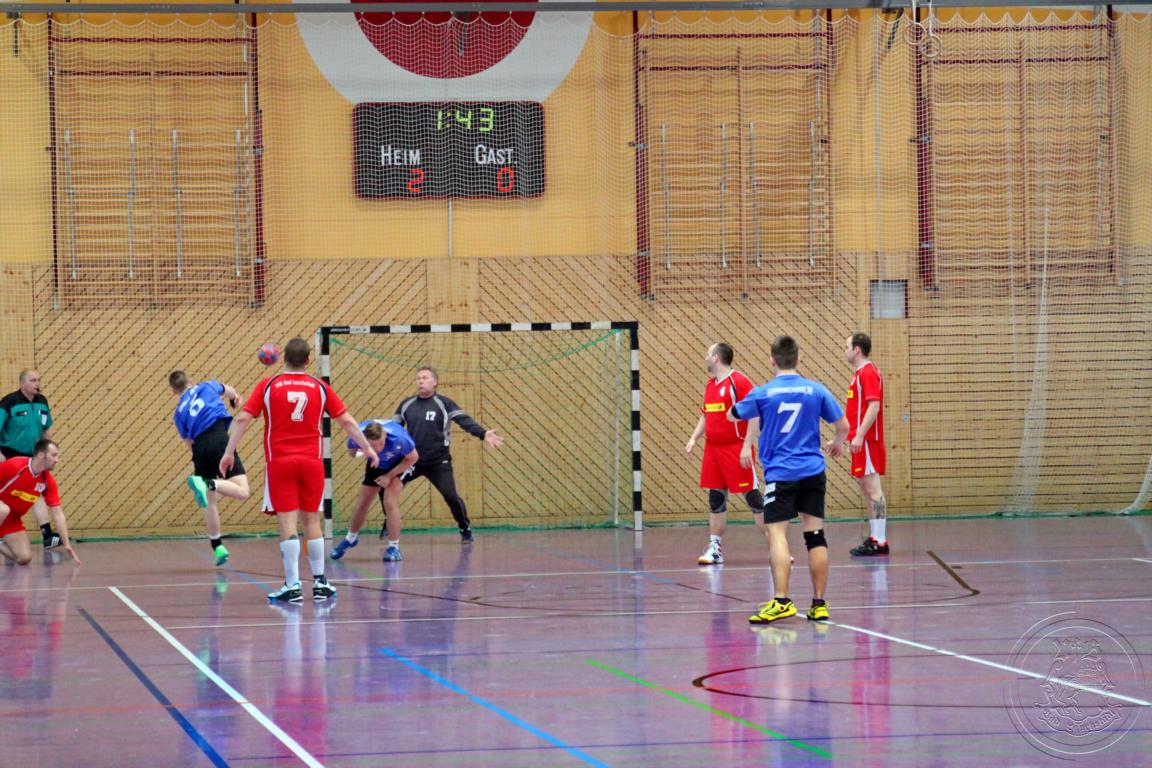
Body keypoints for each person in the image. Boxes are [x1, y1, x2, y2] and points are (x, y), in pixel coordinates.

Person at [220, 337, 378, 603]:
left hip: (281, 462)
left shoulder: (268, 385)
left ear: (283, 358)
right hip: (312, 462)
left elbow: (244, 418)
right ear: (308, 360)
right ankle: (320, 582)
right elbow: (347, 421)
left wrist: (228, 453)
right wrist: (368, 448)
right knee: (312, 521)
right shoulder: (320, 387)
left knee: (288, 522)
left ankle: (292, 585)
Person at [729, 335, 848, 624]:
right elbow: (843, 425)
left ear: (772, 360)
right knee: (815, 534)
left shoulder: (763, 393)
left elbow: (733, 415)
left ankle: (782, 601)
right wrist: (837, 443)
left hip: (781, 473)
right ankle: (819, 604)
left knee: (777, 533)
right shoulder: (816, 390)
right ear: (799, 358)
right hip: (812, 471)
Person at [392, 366, 504, 542]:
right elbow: (393, 430)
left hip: (438, 462)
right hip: (411, 460)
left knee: (451, 496)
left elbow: (464, 421)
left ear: (435, 382)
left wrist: (483, 434)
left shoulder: (444, 403)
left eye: (425, 378)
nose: (420, 381)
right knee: (387, 487)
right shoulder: (406, 404)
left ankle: (464, 527)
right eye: (418, 378)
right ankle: (389, 524)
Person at [684, 342, 764, 565]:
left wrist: (747, 445)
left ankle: (778, 546)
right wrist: (694, 438)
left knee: (753, 498)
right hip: (713, 450)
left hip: (735, 448)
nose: (705, 358)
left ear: (716, 358)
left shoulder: (738, 381)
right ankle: (715, 548)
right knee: (716, 498)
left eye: (708, 354)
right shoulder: (711, 385)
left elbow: (755, 413)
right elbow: (706, 415)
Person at [170, 371, 252, 566]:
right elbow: (230, 391)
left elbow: (189, 444)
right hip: (218, 438)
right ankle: (209, 483)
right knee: (242, 491)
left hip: (199, 448)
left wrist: (201, 455)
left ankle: (218, 546)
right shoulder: (207, 386)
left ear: (174, 391)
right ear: (190, 381)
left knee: (210, 502)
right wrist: (235, 398)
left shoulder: (178, 414)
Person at [330, 420, 418, 562]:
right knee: (362, 503)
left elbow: (414, 458)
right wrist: (363, 451)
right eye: (372, 445)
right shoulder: (355, 437)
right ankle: (350, 538)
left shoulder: (399, 439)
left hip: (400, 463)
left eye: (380, 444)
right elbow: (352, 454)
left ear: (385, 436)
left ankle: (393, 547)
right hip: (376, 463)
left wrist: (389, 476)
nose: (377, 448)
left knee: (389, 501)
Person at [0, 371, 61, 549]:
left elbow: (46, 429)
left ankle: (47, 535)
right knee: (7, 494)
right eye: (33, 380)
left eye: (38, 380)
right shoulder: (9, 402)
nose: (37, 383)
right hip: (10, 454)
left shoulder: (42, 402)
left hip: (32, 457)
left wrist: (48, 452)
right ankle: (4, 532)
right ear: (22, 383)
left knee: (36, 492)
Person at [842, 333, 890, 557]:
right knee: (866, 487)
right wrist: (844, 437)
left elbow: (874, 406)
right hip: (860, 440)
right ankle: (874, 537)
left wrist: (860, 435)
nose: (845, 351)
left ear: (857, 349)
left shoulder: (868, 372)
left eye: (847, 346)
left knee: (873, 488)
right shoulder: (859, 374)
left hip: (868, 441)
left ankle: (880, 541)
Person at [0, 439, 80, 566]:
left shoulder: (47, 481)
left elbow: (58, 513)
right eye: (54, 455)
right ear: (42, 455)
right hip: (2, 511)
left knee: (24, 558)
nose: (57, 460)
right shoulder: (15, 465)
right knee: (3, 509)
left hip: (11, 520)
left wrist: (67, 544)